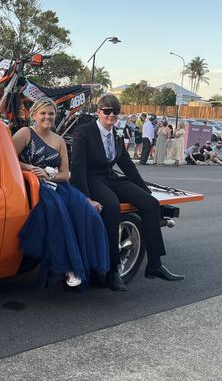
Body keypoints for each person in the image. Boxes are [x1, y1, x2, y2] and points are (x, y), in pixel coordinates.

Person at [71, 93, 184, 290]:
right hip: (92, 179)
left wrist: (145, 190)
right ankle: (112, 270)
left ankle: (155, 265)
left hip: (111, 178)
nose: (111, 115)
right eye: (107, 111)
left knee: (151, 204)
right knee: (112, 206)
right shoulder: (84, 132)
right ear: (98, 112)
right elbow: (78, 168)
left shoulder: (117, 134)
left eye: (115, 112)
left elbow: (126, 165)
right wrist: (85, 197)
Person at [13, 97, 110, 289]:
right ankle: (69, 266)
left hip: (56, 184)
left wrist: (49, 175)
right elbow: (9, 159)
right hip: (32, 186)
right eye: (43, 113)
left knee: (89, 214)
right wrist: (32, 168)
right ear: (34, 115)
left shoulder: (59, 141)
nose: (47, 117)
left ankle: (92, 265)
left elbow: (65, 175)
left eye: (51, 113)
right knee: (58, 210)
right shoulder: (25, 133)